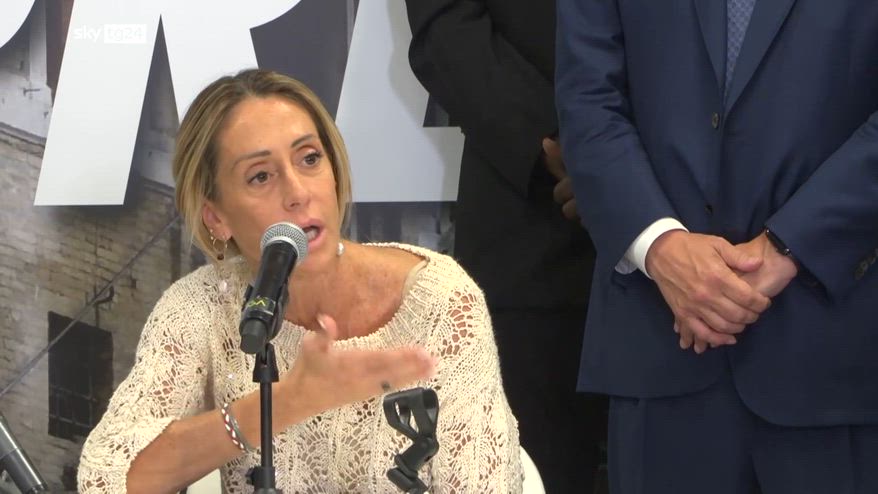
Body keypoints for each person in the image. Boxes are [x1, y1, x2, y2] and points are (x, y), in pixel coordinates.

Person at [77, 69, 522, 493]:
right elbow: (105, 479)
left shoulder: (441, 301)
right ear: (216, 217)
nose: (297, 192)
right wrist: (285, 403)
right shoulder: (202, 306)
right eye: (260, 176)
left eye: (310, 158)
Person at [556, 1, 878, 493]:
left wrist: (791, 246)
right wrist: (659, 245)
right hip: (661, 344)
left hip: (832, 354)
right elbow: (588, 97)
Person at [404, 2, 605, 492]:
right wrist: (567, 146)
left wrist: (627, 162)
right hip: (534, 235)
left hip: (696, 237)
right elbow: (446, 30)